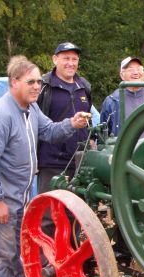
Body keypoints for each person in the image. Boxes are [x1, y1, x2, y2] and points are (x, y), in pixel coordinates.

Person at [0, 55, 90, 277]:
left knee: (19, 247)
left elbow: (49, 132)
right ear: (14, 82)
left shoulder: (31, 109)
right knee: (0, 251)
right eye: (31, 82)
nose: (37, 86)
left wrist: (73, 123)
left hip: (20, 195)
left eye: (38, 81)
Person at [37, 42, 92, 193]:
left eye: (74, 59)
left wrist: (91, 143)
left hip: (81, 163)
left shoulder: (84, 87)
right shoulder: (44, 86)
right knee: (50, 211)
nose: (71, 63)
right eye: (66, 58)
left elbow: (90, 123)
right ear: (55, 59)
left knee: (77, 212)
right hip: (51, 163)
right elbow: (35, 123)